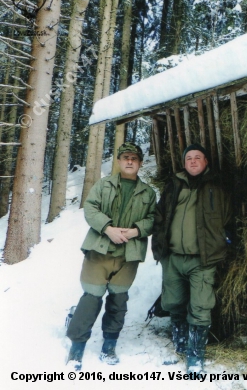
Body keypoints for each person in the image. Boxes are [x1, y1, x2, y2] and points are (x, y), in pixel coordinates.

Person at [152, 139, 247, 373]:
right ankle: (179, 345)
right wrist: (160, 246)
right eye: (189, 158)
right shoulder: (173, 185)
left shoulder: (219, 183)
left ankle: (195, 355)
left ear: (206, 161)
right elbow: (160, 216)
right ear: (184, 163)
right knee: (173, 303)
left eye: (197, 157)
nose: (193, 161)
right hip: (173, 258)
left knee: (200, 306)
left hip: (203, 258)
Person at [66, 142, 156, 370]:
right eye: (125, 157)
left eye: (134, 159)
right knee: (91, 297)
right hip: (100, 249)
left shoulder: (148, 192)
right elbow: (90, 209)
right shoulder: (103, 185)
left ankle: (109, 345)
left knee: (118, 300)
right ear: (118, 161)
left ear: (140, 163)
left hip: (129, 254)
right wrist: (108, 229)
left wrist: (137, 230)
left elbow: (154, 219)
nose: (129, 162)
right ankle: (77, 347)